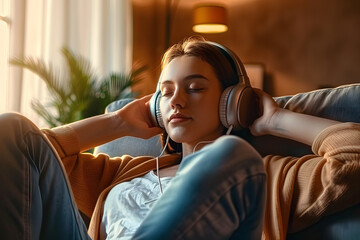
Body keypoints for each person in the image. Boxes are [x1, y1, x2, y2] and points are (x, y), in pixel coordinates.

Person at [0, 36, 359, 240]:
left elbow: (352, 158)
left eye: (196, 88)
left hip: (239, 157)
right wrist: (116, 123)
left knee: (232, 153)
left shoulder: (266, 175)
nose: (177, 100)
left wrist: (276, 119)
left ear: (230, 101)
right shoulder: (122, 174)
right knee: (13, 129)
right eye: (166, 91)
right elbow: (36, 158)